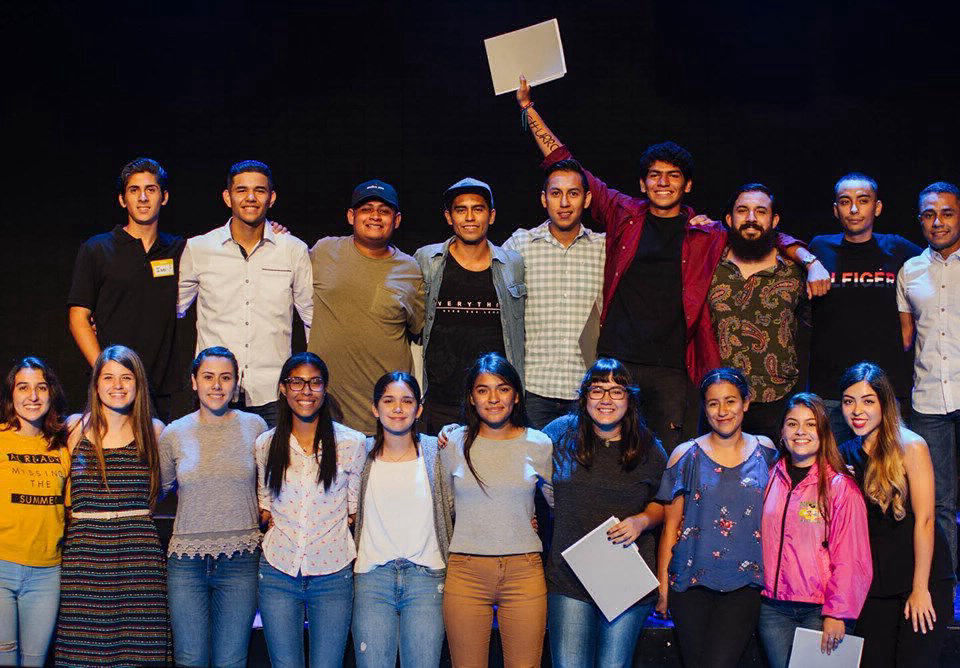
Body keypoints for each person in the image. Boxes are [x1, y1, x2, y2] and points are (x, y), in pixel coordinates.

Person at [514, 76, 827, 452]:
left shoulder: (705, 233)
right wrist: (529, 109)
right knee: (609, 452)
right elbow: (566, 164)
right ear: (643, 184)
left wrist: (810, 259)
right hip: (619, 359)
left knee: (667, 459)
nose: (663, 182)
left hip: (673, 368)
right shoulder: (623, 215)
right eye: (655, 176)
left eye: (673, 176)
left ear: (687, 185)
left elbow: (757, 230)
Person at [541, 358, 667, 666]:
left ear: (629, 398)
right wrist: (454, 433)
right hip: (569, 579)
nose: (606, 399)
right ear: (584, 397)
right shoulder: (559, 434)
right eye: (597, 390)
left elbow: (664, 504)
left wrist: (641, 521)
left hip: (624, 578)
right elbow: (514, 451)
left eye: (616, 391)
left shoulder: (649, 447)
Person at [55, 345, 171, 666]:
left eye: (126, 377)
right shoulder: (74, 428)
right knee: (83, 650)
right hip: (85, 558)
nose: (117, 385)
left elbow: (164, 489)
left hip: (139, 559)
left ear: (138, 383)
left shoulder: (155, 431)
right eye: (108, 377)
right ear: (95, 384)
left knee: (138, 651)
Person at [655, 367, 778, 668]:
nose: (722, 411)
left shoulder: (766, 451)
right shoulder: (685, 454)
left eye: (730, 401)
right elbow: (671, 527)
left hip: (745, 582)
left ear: (746, 402)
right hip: (690, 583)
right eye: (713, 403)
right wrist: (663, 588)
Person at [178, 160, 313, 427]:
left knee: (274, 457)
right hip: (216, 391)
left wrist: (311, 377)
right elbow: (170, 309)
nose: (250, 197)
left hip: (273, 392)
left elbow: (311, 317)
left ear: (271, 198)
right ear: (227, 197)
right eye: (241, 190)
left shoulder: (292, 249)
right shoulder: (199, 248)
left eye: (259, 190)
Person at [838, 362, 954, 667]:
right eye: (849, 402)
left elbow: (926, 521)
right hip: (876, 585)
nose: (857, 411)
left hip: (921, 579)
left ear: (884, 403)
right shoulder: (843, 454)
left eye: (867, 401)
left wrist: (920, 589)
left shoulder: (911, 446)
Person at [440, 353, 552, 667]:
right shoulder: (453, 442)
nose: (493, 399)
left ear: (516, 396)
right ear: (471, 398)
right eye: (483, 390)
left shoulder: (539, 443)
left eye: (502, 389)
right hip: (466, 571)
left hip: (523, 571)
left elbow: (558, 503)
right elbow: (444, 506)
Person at [158, 347, 268, 668]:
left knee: (231, 660)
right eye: (208, 377)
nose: (217, 385)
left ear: (236, 383)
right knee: (190, 658)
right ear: (194, 382)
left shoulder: (255, 427)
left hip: (240, 560)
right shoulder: (174, 433)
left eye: (225, 378)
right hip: (187, 563)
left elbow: (268, 488)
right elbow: (160, 489)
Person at [255, 352, 366, 668]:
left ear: (325, 388)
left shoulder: (351, 443)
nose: (306, 391)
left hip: (332, 573)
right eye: (297, 382)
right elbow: (265, 507)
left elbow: (353, 512)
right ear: (283, 388)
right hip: (278, 571)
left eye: (315, 382)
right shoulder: (265, 444)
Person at [757, 392, 871, 668]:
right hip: (773, 608)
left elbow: (852, 558)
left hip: (820, 610)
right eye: (792, 423)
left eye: (810, 424)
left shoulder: (841, 487)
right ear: (782, 432)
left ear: (823, 432)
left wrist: (838, 613)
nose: (801, 431)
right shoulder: (769, 477)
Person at [68, 158, 185, 420]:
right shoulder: (98, 249)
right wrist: (106, 371)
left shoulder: (179, 250)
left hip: (159, 387)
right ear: (122, 199)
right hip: (113, 387)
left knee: (157, 447)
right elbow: (78, 317)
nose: (143, 198)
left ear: (164, 197)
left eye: (151, 189)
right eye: (134, 190)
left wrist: (272, 230)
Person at [809, 173, 922, 443]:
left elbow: (939, 261)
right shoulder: (820, 247)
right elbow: (781, 244)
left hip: (886, 389)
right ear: (836, 210)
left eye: (863, 200)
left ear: (877, 207)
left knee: (890, 467)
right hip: (832, 392)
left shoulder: (897, 248)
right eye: (845, 202)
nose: (854, 209)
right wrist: (809, 261)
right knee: (835, 467)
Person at [351, 372, 453, 668]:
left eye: (407, 401)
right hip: (372, 579)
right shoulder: (359, 452)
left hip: (427, 579)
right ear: (375, 408)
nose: (398, 408)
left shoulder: (436, 452)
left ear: (419, 409)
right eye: (388, 401)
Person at [308, 180, 425, 435]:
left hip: (387, 410)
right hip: (329, 407)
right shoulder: (324, 251)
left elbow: (419, 328)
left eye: (384, 211)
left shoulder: (410, 268)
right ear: (351, 216)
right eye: (366, 209)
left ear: (397, 220)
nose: (375, 216)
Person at [415, 179, 526, 435]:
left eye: (478, 209)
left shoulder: (512, 263)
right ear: (449, 217)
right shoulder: (427, 260)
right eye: (460, 210)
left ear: (491, 215)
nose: (469, 217)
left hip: (494, 401)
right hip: (439, 398)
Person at [503, 159, 605, 428]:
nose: (564, 203)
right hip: (533, 387)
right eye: (556, 193)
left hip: (586, 388)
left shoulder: (603, 248)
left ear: (587, 199)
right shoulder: (521, 244)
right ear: (544, 199)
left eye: (573, 193)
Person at [707, 184, 807, 443]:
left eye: (761, 211)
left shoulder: (795, 270)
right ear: (729, 219)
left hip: (778, 395)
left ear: (774, 220)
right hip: (719, 397)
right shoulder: (709, 264)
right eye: (743, 210)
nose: (751, 218)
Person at [896, 181, 960, 573]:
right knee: (938, 502)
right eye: (929, 214)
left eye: (947, 213)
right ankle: (948, 585)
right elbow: (906, 340)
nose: (938, 222)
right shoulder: (910, 271)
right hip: (929, 401)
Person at [0, 358, 70, 667]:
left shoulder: (61, 447)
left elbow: (67, 509)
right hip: (2, 567)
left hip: (47, 573)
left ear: (51, 393)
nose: (33, 396)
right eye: (23, 387)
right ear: (11, 394)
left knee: (34, 662)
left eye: (41, 387)